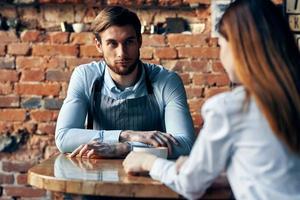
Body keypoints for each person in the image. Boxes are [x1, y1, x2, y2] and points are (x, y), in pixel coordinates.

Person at [123, 0, 300, 199]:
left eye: (221, 45)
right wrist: (225, 175)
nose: (221, 54)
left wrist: (148, 162)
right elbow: (277, 171)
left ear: (239, 48)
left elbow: (190, 185)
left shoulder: (231, 107)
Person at [55, 6, 195, 159]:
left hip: (149, 175)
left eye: (129, 42)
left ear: (139, 41)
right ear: (98, 45)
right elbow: (63, 137)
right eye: (112, 44)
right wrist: (127, 135)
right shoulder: (86, 76)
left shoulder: (167, 81)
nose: (122, 53)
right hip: (96, 175)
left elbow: (185, 144)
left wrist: (125, 148)